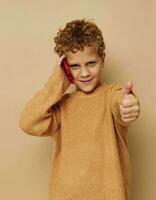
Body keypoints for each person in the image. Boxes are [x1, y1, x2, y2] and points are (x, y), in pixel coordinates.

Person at [18, 18, 140, 200]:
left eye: (91, 63)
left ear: (102, 60)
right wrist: (58, 82)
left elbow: (120, 103)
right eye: (75, 66)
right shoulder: (60, 107)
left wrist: (127, 105)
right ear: (65, 68)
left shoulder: (111, 94)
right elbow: (27, 122)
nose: (84, 73)